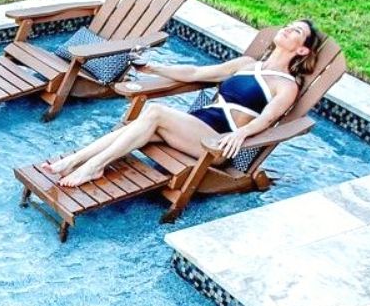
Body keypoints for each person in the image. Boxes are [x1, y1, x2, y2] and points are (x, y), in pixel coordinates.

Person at [39, 19, 322, 187]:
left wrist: (240, 134)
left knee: (155, 113)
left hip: (217, 143)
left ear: (302, 50)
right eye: (288, 25)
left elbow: (269, 118)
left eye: (296, 31)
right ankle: (76, 160)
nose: (287, 29)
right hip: (196, 126)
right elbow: (196, 73)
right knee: (143, 124)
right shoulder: (247, 63)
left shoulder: (286, 84)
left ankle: (91, 166)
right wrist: (153, 69)